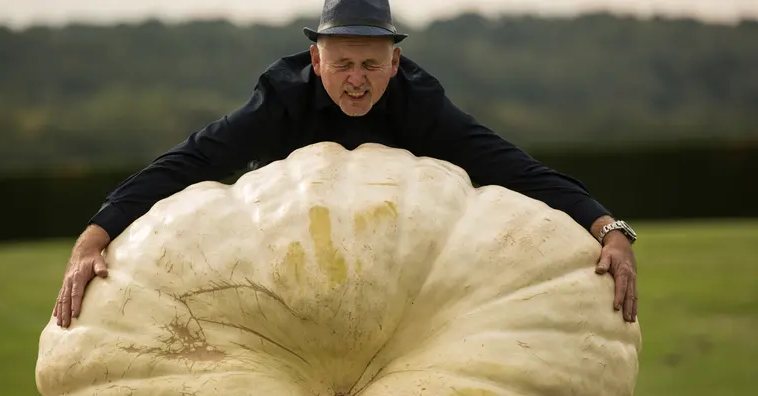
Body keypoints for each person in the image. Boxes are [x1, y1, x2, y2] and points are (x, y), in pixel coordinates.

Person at [54, 0, 639, 328]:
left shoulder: (420, 103)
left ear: (395, 61)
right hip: (289, 273)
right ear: (315, 57)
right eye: (341, 64)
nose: (356, 80)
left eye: (370, 63)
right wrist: (94, 236)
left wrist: (606, 228)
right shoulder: (281, 98)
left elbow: (511, 165)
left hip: (396, 274)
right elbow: (195, 158)